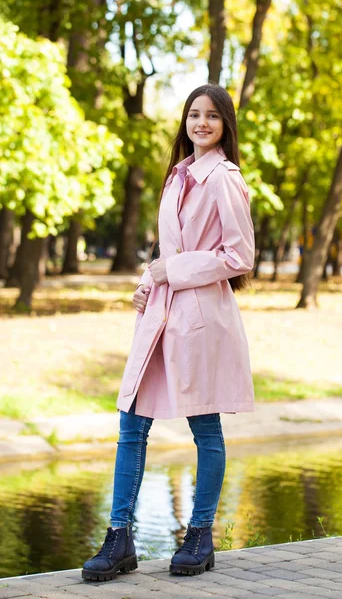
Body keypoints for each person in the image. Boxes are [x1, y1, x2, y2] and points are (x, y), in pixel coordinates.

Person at [82, 83, 255, 582]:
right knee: (131, 422)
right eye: (193, 114)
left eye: (212, 116)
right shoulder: (178, 175)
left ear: (225, 125)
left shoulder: (224, 178)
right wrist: (147, 281)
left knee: (205, 428)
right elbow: (166, 249)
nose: (201, 123)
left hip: (199, 319)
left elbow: (238, 257)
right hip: (161, 312)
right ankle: (120, 538)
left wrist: (170, 272)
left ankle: (200, 536)